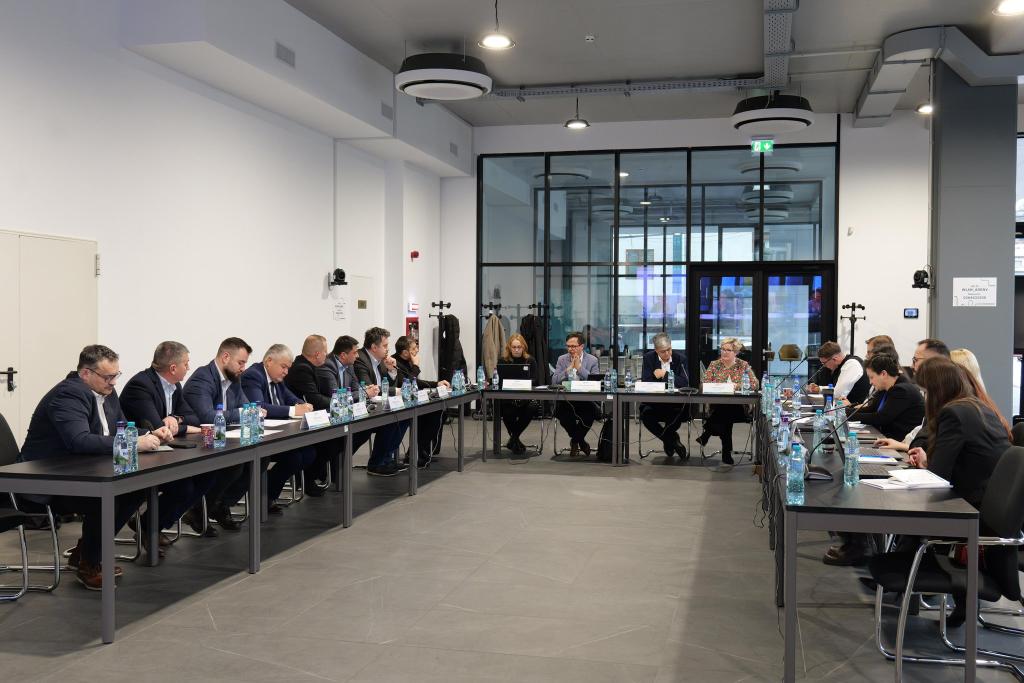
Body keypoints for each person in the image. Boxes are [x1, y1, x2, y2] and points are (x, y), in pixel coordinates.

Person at [20, 345, 164, 589]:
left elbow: (118, 428)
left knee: (135, 489)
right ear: (85, 373)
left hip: (81, 471)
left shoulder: (106, 391)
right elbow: (79, 440)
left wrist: (149, 433)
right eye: (108, 377)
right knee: (105, 499)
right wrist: (133, 443)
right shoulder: (68, 395)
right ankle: (89, 562)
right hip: (46, 479)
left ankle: (86, 552)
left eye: (116, 375)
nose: (114, 382)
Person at [121, 341, 216, 545]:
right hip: (137, 457)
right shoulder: (141, 386)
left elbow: (194, 418)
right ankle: (149, 528)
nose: (188, 367)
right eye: (186, 363)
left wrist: (175, 418)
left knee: (208, 474)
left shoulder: (174, 386)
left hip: (164, 452)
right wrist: (179, 426)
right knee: (184, 487)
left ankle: (149, 526)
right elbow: (158, 428)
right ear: (173, 368)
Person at [182, 337, 258, 530]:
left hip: (224, 438)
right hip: (199, 442)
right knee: (235, 465)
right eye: (240, 362)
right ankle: (200, 509)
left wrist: (248, 412)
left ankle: (219, 505)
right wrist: (245, 413)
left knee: (259, 459)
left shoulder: (234, 379)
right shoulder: (202, 378)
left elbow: (247, 406)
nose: (243, 368)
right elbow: (208, 417)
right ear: (225, 357)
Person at [241, 344, 320, 501]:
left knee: (309, 453)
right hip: (261, 436)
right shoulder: (253, 376)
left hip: (279, 433)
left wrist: (302, 405)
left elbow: (289, 397)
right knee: (294, 458)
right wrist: (293, 410)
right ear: (269, 361)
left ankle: (267, 495)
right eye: (283, 367)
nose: (286, 372)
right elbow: (259, 406)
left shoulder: (277, 378)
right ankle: (265, 498)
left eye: (288, 368)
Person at [319, 334, 402, 474]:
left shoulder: (349, 365)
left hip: (347, 411)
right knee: (363, 429)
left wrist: (366, 391)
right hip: (331, 413)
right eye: (354, 352)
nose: (357, 356)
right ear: (343, 355)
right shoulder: (327, 366)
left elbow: (357, 389)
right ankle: (332, 468)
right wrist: (366, 393)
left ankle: (340, 466)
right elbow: (336, 395)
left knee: (381, 425)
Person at [353, 327, 410, 476]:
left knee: (404, 417)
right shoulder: (360, 360)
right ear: (374, 347)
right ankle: (376, 463)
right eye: (385, 345)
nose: (387, 349)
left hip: (380, 405)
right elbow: (369, 388)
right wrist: (396, 391)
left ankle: (386, 458)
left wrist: (391, 370)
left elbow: (386, 385)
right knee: (390, 420)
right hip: (365, 409)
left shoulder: (380, 361)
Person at [697, 338, 758, 466]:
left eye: (728, 350)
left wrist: (738, 386)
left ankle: (707, 433)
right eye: (723, 349)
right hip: (717, 406)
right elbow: (703, 385)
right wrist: (717, 386)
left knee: (725, 411)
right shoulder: (714, 365)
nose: (724, 352)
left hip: (740, 408)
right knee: (725, 413)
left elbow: (755, 384)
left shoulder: (743, 365)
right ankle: (726, 452)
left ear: (735, 352)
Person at [392, 335, 450, 468]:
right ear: (405, 352)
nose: (417, 350)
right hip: (399, 404)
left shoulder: (407, 361)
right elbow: (407, 384)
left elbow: (416, 382)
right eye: (414, 348)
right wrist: (416, 366)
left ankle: (420, 450)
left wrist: (436, 384)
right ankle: (417, 452)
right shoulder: (395, 363)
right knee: (429, 414)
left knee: (439, 411)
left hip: (412, 401)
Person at [846, 353, 924, 440]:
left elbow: (881, 418)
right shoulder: (885, 388)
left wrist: (847, 416)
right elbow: (872, 409)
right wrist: (845, 412)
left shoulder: (902, 390)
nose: (870, 382)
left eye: (872, 377)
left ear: (883, 374)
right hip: (886, 437)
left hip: (900, 442)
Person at [640, 332, 690, 459]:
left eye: (669, 349)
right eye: (663, 351)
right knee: (646, 416)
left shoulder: (680, 359)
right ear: (656, 350)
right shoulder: (649, 358)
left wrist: (664, 374)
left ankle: (668, 441)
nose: (667, 353)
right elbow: (646, 381)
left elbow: (684, 382)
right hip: (655, 403)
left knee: (676, 418)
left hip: (676, 404)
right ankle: (672, 440)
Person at [551, 331, 601, 458]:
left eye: (573, 346)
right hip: (567, 400)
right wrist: (568, 370)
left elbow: (595, 382)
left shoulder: (592, 360)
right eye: (568, 346)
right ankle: (581, 441)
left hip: (586, 400)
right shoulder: (562, 359)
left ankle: (575, 441)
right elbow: (554, 381)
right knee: (562, 415)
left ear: (581, 346)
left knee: (590, 414)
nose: (570, 349)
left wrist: (579, 368)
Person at [496, 333, 538, 458]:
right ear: (509, 348)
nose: (516, 350)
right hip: (508, 399)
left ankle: (513, 438)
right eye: (514, 347)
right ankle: (515, 440)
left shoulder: (530, 360)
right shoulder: (502, 361)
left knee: (533, 406)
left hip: (525, 398)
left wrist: (522, 383)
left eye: (519, 347)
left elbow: (535, 380)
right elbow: (499, 381)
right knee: (506, 410)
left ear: (523, 347)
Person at [284, 335, 331, 411]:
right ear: (317, 354)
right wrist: (337, 402)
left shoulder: (307, 365)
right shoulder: (302, 369)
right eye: (325, 351)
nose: (327, 354)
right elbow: (314, 399)